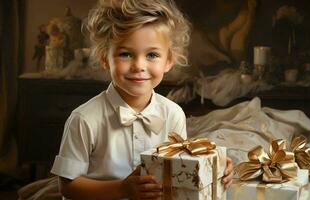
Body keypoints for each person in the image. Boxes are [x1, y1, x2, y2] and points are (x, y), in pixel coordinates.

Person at [50, 0, 233, 199]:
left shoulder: (173, 114)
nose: (139, 65)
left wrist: (214, 169)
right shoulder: (84, 119)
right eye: (126, 54)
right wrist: (122, 189)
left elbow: (180, 168)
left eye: (152, 54)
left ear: (169, 60)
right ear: (104, 58)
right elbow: (67, 187)